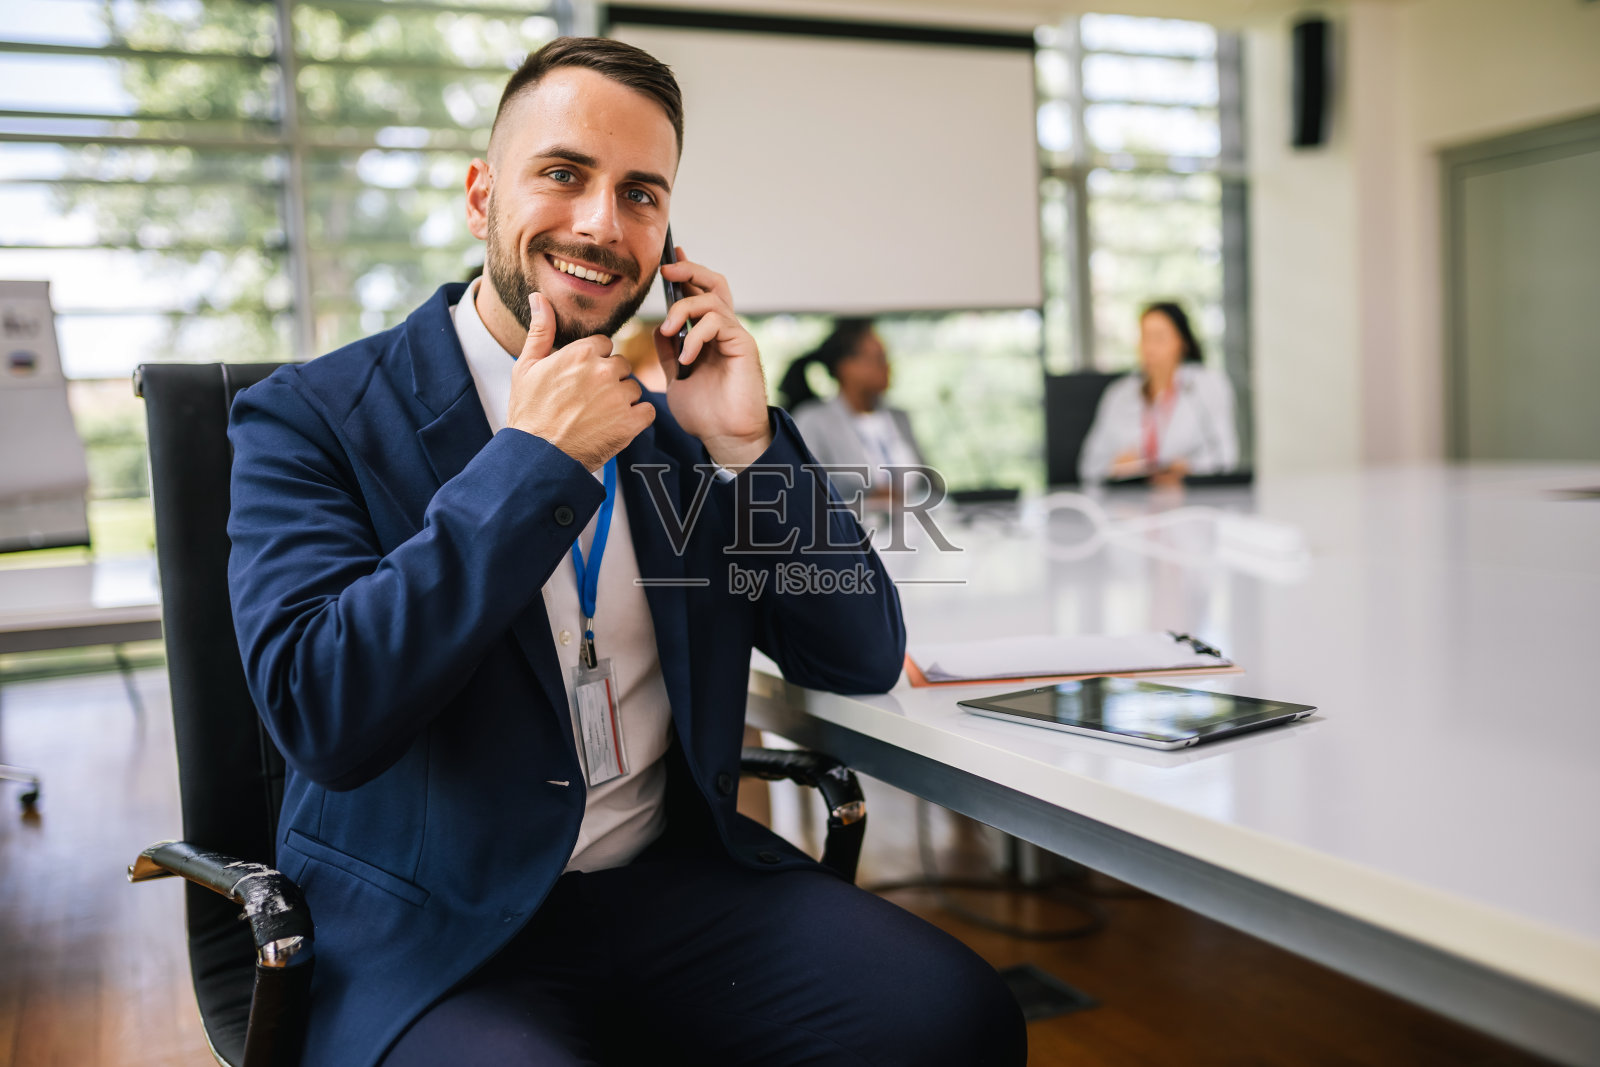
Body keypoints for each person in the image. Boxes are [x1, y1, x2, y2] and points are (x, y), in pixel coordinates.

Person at [225, 37, 1024, 1067]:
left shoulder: (676, 434)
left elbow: (857, 650)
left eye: (641, 194)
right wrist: (529, 464)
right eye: (563, 174)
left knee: (954, 1017)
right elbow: (323, 710)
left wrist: (744, 444)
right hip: (436, 929)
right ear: (481, 197)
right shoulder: (310, 417)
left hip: (674, 888)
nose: (602, 223)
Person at [1078, 301, 1239, 489]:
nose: (1150, 348)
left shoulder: (1207, 386)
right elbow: (1088, 467)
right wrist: (1114, 467)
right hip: (1130, 505)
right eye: (1145, 337)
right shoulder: (1118, 394)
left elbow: (1226, 457)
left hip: (1191, 501)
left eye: (1159, 338)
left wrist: (1190, 469)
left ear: (1182, 342)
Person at [780, 319, 928, 502]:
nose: (888, 366)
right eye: (878, 359)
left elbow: (927, 484)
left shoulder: (899, 417)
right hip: (854, 527)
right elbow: (805, 492)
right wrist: (868, 502)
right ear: (846, 367)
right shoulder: (813, 420)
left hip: (913, 525)